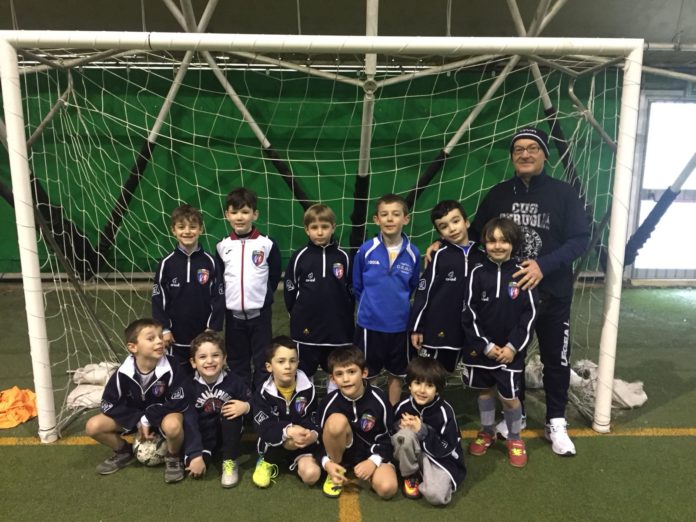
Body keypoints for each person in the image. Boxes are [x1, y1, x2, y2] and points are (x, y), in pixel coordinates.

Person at [470, 127, 589, 456]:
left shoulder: (563, 193)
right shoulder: (498, 194)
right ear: (512, 157)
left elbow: (580, 239)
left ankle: (556, 421)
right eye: (519, 149)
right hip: (510, 299)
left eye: (532, 148)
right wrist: (443, 245)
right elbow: (475, 234)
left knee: (555, 359)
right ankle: (516, 416)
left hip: (552, 293)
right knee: (513, 357)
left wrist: (542, 266)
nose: (525, 154)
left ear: (545, 155)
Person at [461, 217, 538, 468]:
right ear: (484, 242)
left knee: (509, 397)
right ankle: (487, 432)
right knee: (484, 392)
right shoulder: (476, 273)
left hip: (510, 352)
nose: (498, 246)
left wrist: (512, 347)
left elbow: (530, 315)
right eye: (492, 240)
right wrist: (485, 345)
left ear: (513, 243)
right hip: (482, 350)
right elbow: (469, 313)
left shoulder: (522, 273)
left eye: (504, 241)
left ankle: (514, 438)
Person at [85, 318, 186, 483]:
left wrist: (149, 418)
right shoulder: (123, 373)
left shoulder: (172, 366)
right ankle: (123, 451)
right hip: (135, 420)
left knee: (173, 426)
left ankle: (174, 456)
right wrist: (138, 420)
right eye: (151, 338)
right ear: (133, 347)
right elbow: (108, 404)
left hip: (162, 416)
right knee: (93, 426)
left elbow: (179, 401)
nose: (159, 341)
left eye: (160, 336)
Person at [353, 193, 420, 405]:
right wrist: (371, 306)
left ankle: (391, 413)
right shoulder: (366, 250)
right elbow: (357, 285)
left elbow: (412, 286)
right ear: (376, 219)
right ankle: (371, 411)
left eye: (396, 214)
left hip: (399, 326)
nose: (390, 219)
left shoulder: (413, 253)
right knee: (368, 373)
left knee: (397, 374)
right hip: (369, 325)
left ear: (406, 219)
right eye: (384, 214)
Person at [216, 187, 282, 390]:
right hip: (233, 317)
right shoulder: (222, 246)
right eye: (234, 212)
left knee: (263, 360)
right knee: (237, 361)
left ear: (255, 214)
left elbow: (273, 276)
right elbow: (220, 280)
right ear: (227, 215)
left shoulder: (267, 244)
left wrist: (262, 297)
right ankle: (241, 398)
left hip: (260, 316)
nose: (239, 217)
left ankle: (261, 400)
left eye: (245, 212)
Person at [409, 200, 485, 372]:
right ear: (440, 234)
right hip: (437, 329)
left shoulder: (482, 257)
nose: (452, 229)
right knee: (428, 374)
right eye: (444, 226)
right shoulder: (438, 256)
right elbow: (423, 292)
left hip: (466, 331)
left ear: (467, 222)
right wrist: (416, 327)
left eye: (455, 221)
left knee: (449, 373)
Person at [284, 204, 354, 389]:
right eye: (314, 227)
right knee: (304, 372)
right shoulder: (299, 257)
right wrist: (297, 315)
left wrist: (345, 316)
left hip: (337, 329)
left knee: (338, 371)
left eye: (325, 226)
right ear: (307, 230)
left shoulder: (344, 257)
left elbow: (351, 291)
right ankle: (308, 402)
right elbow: (290, 290)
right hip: (306, 328)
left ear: (333, 227)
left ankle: (336, 402)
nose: (320, 232)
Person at [152, 204, 225, 376]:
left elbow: (219, 296)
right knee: (177, 376)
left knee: (205, 374)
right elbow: (158, 298)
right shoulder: (166, 263)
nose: (187, 231)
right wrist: (164, 329)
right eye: (181, 227)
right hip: (174, 337)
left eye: (192, 227)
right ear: (173, 230)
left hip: (203, 334)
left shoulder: (210, 262)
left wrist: (212, 327)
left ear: (201, 229)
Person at [318, 345, 397, 500]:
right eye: (339, 374)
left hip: (371, 452)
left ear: (364, 373)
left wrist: (373, 461)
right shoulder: (328, 402)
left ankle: (367, 472)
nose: (346, 379)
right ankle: (336, 469)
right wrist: (326, 462)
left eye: (352, 372)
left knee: (387, 488)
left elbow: (389, 436)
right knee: (335, 422)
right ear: (332, 379)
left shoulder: (379, 399)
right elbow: (318, 439)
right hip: (341, 453)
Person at [179, 331, 252, 488]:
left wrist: (246, 406)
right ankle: (204, 452)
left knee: (230, 409)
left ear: (224, 358)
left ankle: (229, 460)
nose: (210, 361)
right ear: (193, 362)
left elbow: (256, 403)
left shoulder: (235, 382)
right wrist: (195, 454)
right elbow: (189, 421)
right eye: (202, 357)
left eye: (215, 355)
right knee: (196, 470)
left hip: (229, 433)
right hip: (203, 437)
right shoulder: (188, 386)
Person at [392, 357, 466, 505]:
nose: (422, 390)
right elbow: (389, 430)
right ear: (410, 385)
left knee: (436, 496)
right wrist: (399, 425)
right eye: (417, 383)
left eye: (429, 385)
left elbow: (448, 447)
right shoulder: (402, 406)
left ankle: (425, 474)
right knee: (404, 436)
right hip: (411, 453)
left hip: (438, 458)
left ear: (437, 390)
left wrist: (423, 431)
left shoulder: (445, 411)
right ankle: (410, 475)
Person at [251, 336, 322, 489]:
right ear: (269, 366)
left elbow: (314, 418)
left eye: (292, 361)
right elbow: (264, 427)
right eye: (281, 361)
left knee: (312, 475)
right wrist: (288, 430)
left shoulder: (308, 388)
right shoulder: (262, 393)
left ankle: (295, 461)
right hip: (273, 443)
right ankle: (267, 460)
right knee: (280, 441)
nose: (288, 366)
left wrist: (312, 435)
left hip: (302, 443)